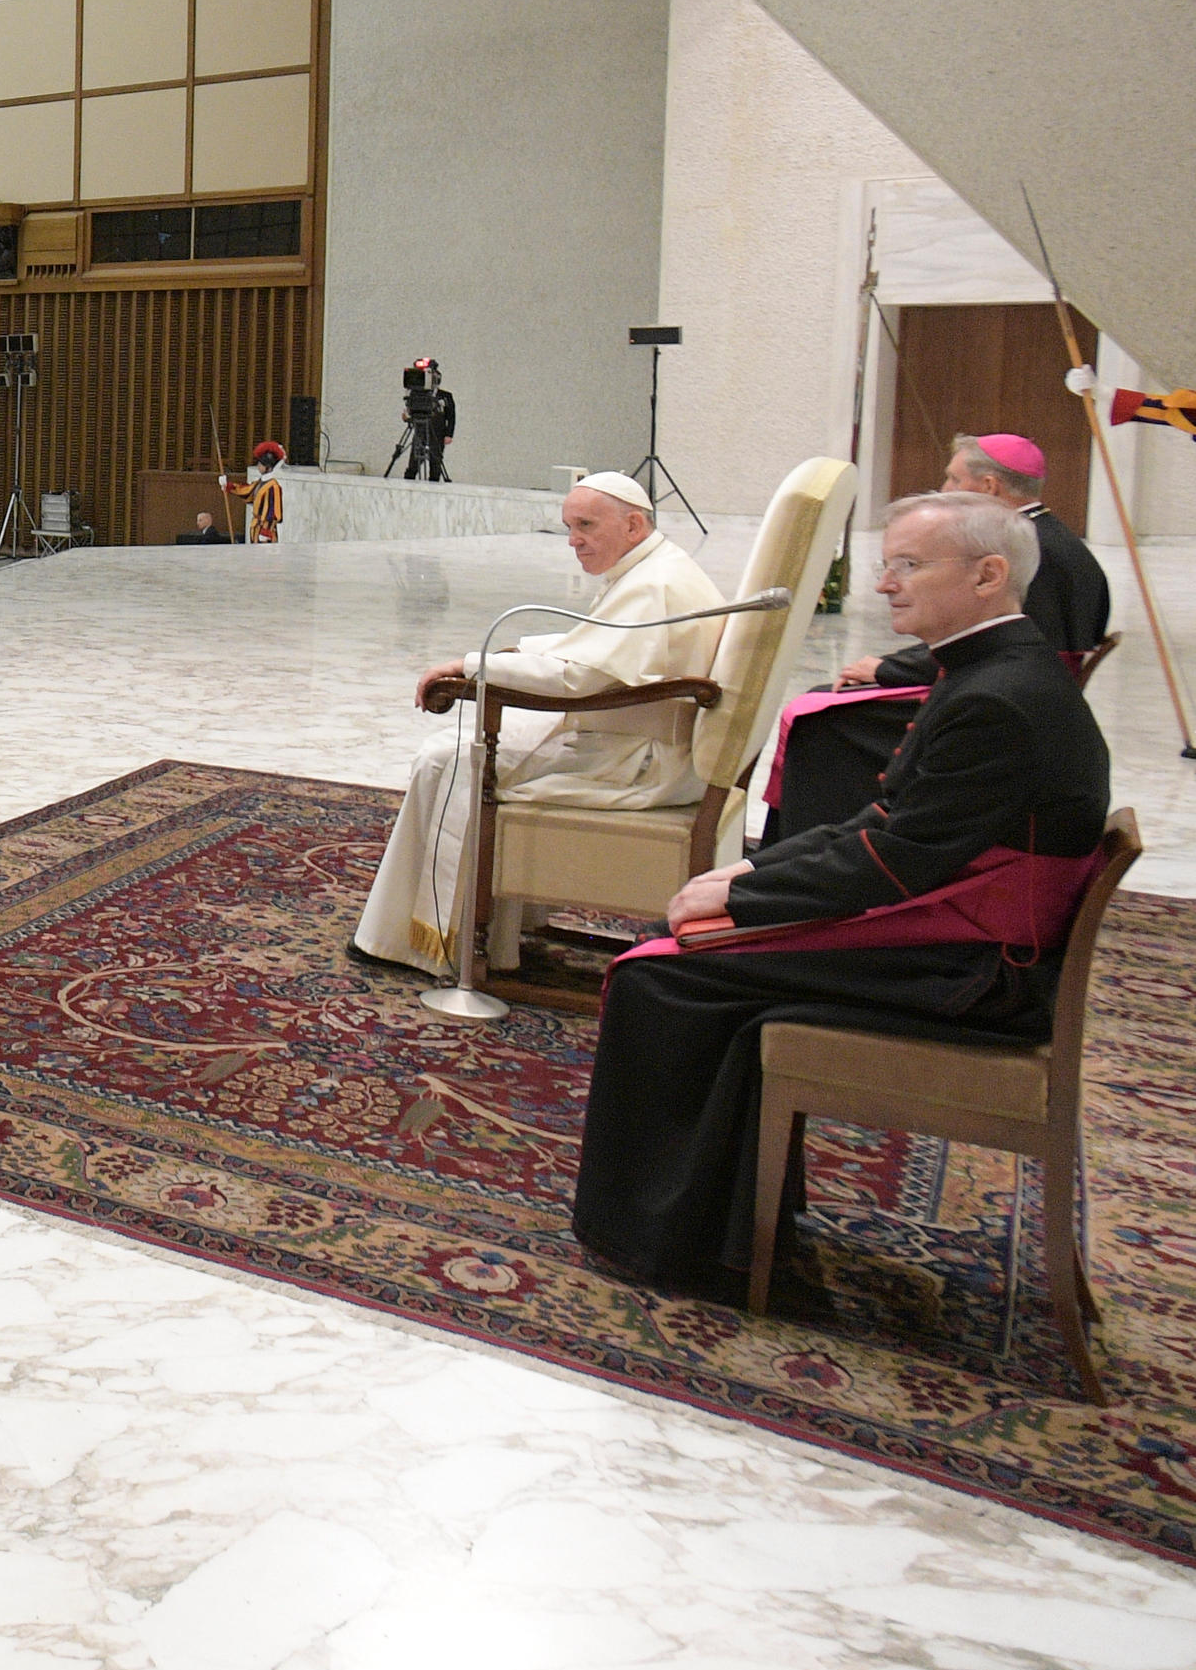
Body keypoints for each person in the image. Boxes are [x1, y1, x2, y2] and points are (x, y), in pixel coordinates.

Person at [573, 490, 1113, 1297]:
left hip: (978, 970)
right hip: (969, 935)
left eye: (907, 565)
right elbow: (888, 821)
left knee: (665, 973)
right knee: (683, 944)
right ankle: (721, 1226)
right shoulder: (992, 671)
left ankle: (676, 1243)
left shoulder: (997, 699)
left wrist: (745, 902)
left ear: (988, 575)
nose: (883, 583)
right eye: (885, 564)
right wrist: (749, 875)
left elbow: (893, 860)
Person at [349, 474, 725, 975]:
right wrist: (513, 654)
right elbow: (598, 645)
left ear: (633, 525)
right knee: (458, 751)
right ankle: (486, 932)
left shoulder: (655, 585)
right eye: (569, 527)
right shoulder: (659, 568)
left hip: (636, 761)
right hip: (634, 741)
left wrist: (473, 667)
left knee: (450, 760)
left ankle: (441, 945)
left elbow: (577, 678)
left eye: (585, 525)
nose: (573, 541)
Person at [757, 433, 1111, 847]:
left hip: (1002, 700)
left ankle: (796, 839)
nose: (885, 586)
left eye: (909, 565)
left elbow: (911, 850)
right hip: (1011, 682)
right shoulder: (1057, 538)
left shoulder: (1024, 550)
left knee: (820, 720)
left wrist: (888, 669)